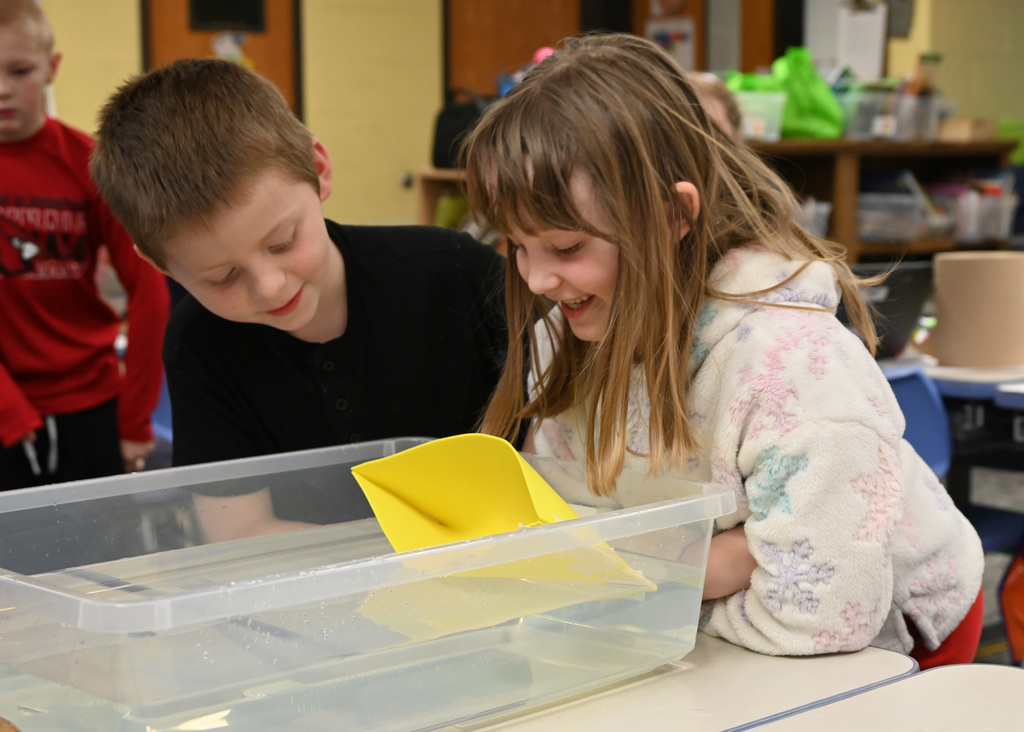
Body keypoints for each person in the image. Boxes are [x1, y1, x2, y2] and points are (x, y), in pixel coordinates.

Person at [461, 33, 984, 669]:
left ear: (672, 218)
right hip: (723, 634)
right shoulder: (568, 335)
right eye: (517, 246)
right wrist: (720, 563)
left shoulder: (792, 367)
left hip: (897, 638)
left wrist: (672, 577)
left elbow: (820, 619)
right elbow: (571, 544)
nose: (537, 279)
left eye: (568, 249)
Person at [90, 58, 507, 542]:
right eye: (223, 276)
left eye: (283, 241)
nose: (270, 286)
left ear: (319, 170)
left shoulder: (456, 273)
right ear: (162, 266)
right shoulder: (199, 347)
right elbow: (238, 533)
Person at [0, 0, 169, 489]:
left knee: (99, 556)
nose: (4, 89)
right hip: (7, 410)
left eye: (20, 70)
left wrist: (135, 420)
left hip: (92, 407)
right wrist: (9, 412)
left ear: (51, 68)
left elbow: (150, 290)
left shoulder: (91, 163)